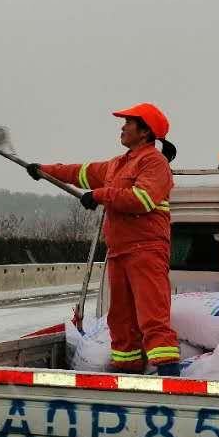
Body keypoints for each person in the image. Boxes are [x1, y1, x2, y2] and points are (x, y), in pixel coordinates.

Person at [31, 103, 183, 376]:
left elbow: (142, 199)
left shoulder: (154, 163)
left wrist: (100, 195)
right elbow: (79, 172)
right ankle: (126, 369)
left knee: (152, 316)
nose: (122, 128)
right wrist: (44, 170)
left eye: (128, 123)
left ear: (145, 132)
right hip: (119, 251)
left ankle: (169, 375)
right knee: (120, 319)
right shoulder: (118, 164)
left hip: (146, 250)